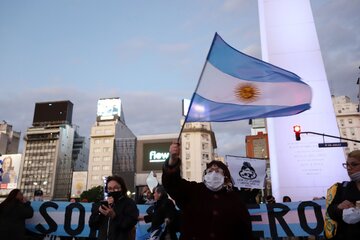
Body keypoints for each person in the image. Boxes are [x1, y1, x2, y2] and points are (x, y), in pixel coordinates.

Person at [162, 142, 254, 240]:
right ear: (205, 175)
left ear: (226, 177)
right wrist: (173, 161)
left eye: (218, 171)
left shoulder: (235, 199)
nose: (214, 173)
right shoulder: (193, 190)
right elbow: (172, 184)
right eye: (210, 171)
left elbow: (245, 231)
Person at [89, 175, 139, 240]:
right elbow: (92, 225)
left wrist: (114, 216)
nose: (112, 191)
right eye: (109, 188)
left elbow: (130, 223)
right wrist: (100, 213)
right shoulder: (102, 204)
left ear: (122, 188)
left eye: (115, 188)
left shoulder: (129, 203)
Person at [326, 150, 360, 239]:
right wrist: (339, 207)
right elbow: (330, 211)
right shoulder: (342, 187)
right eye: (347, 165)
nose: (349, 168)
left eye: (354, 164)